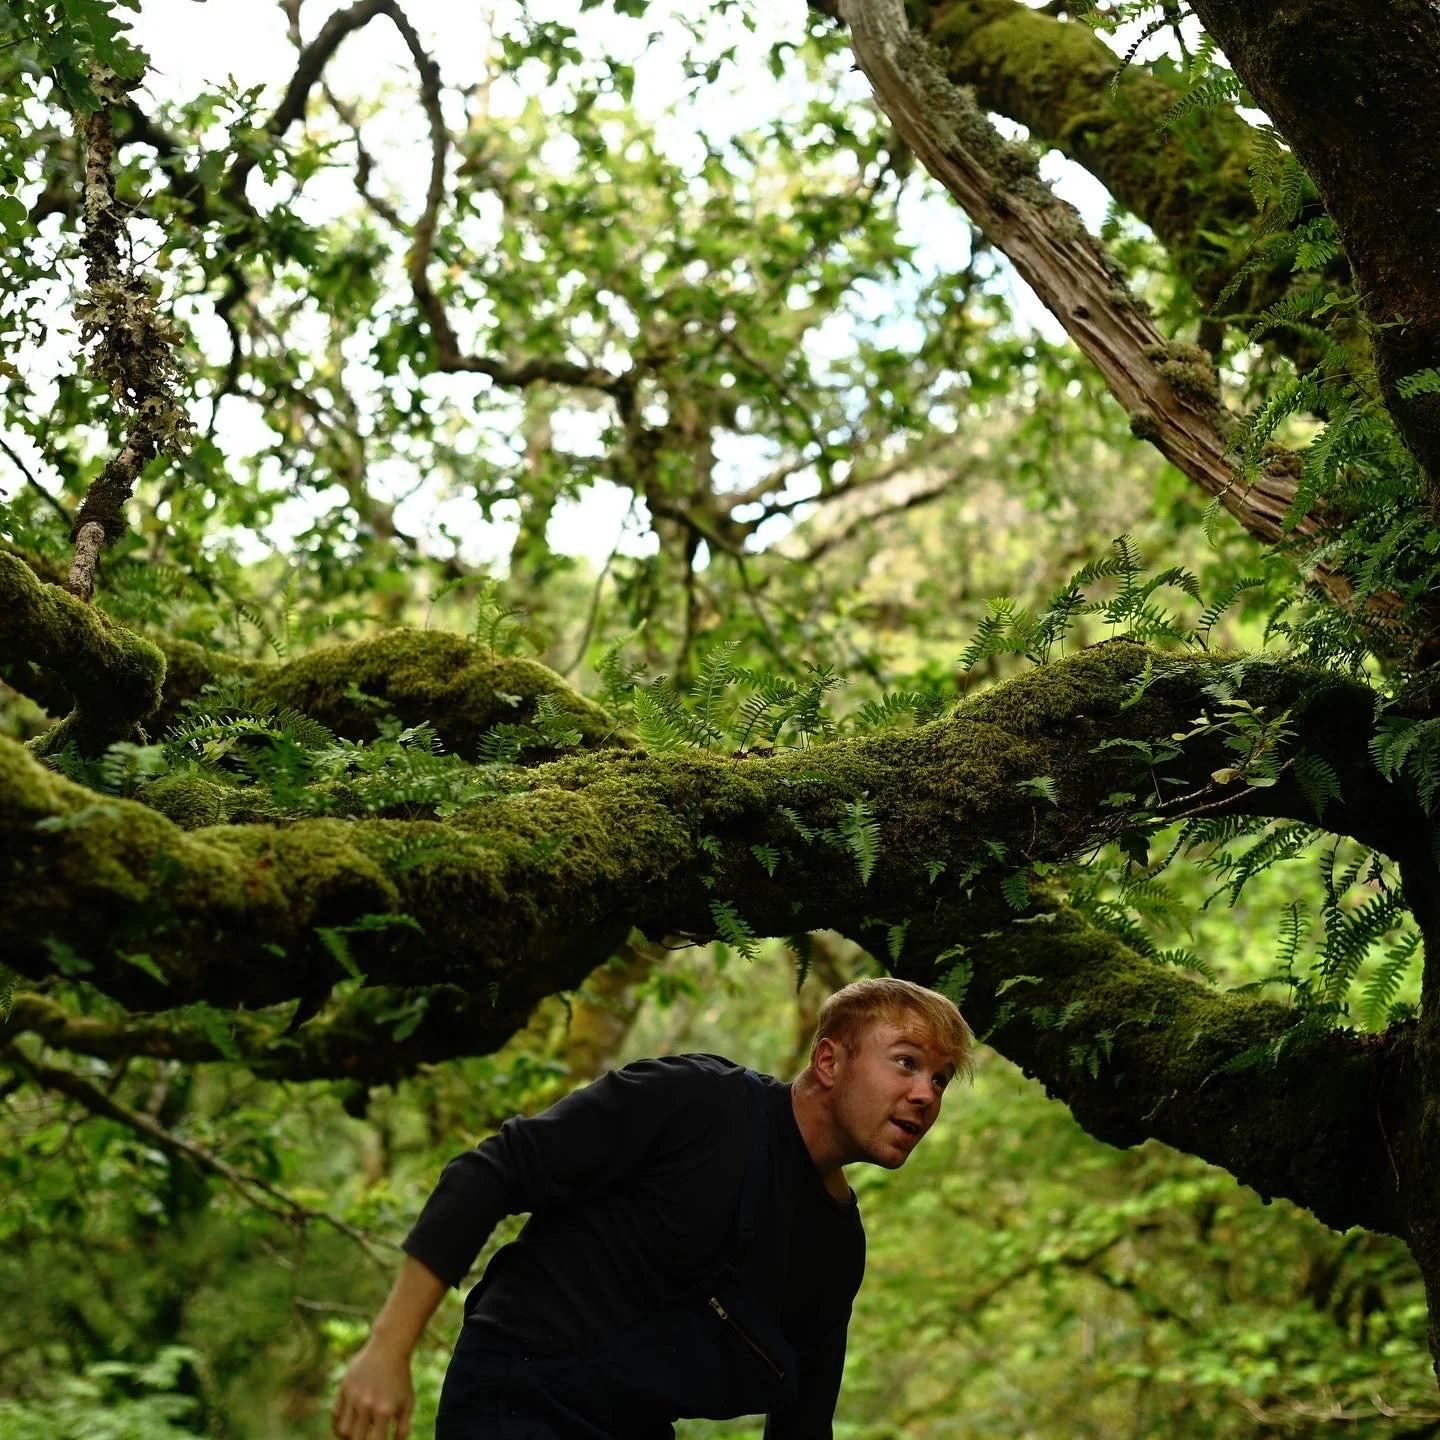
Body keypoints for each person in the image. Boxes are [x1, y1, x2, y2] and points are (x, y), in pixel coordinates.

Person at [331, 976, 972, 1440]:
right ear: (829, 1060)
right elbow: (490, 1173)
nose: (925, 1095)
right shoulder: (696, 1102)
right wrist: (388, 1353)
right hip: (517, 1397)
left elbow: (804, 1419)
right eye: (906, 1064)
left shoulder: (836, 1249)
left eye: (939, 1080)